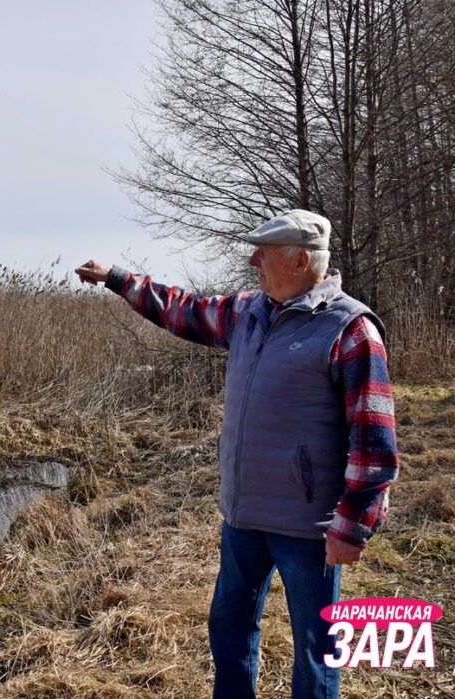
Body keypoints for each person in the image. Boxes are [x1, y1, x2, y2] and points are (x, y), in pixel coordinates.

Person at [75, 210, 399, 699]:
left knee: (315, 648)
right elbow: (182, 309)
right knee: (228, 627)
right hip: (243, 517)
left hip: (308, 526)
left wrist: (352, 526)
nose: (252, 261)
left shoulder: (350, 330)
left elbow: (373, 440)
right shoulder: (249, 311)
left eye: (263, 253)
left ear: (300, 261)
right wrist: (118, 279)